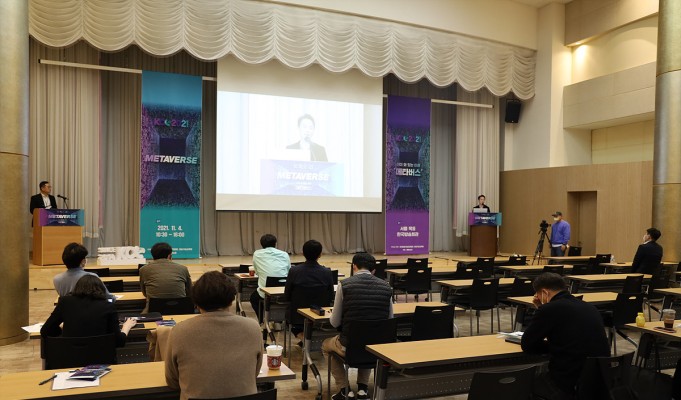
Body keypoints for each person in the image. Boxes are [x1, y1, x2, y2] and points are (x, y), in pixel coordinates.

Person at [165, 271, 263, 400]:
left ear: (196, 302)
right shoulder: (253, 327)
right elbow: (254, 373)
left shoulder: (179, 331)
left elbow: (172, 380)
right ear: (231, 300)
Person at [521, 273, 610, 399]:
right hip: (598, 379)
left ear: (544, 292)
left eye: (538, 295)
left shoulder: (549, 309)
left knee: (525, 382)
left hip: (569, 381)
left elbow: (527, 345)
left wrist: (554, 346)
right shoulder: (589, 307)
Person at [322, 252, 393, 400]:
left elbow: (335, 322)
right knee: (368, 339)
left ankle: (344, 388)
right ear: (374, 270)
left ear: (354, 266)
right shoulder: (387, 287)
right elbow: (389, 320)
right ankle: (363, 389)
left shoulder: (344, 285)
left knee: (325, 345)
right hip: (376, 348)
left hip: (350, 346)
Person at [41, 275, 136, 347]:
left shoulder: (65, 302)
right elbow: (119, 342)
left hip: (69, 358)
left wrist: (63, 333)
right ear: (101, 289)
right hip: (101, 359)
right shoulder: (108, 306)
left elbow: (45, 330)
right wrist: (126, 327)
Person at [284, 240, 334, 343]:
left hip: (297, 317)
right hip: (319, 315)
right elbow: (331, 296)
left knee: (287, 318)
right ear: (320, 254)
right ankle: (307, 340)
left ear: (303, 253)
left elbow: (287, 295)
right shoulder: (327, 272)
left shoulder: (294, 271)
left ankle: (304, 339)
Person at [139, 242, 192, 313]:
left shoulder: (143, 269)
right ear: (170, 255)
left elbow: (144, 293)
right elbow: (189, 291)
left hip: (154, 310)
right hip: (181, 309)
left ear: (152, 256)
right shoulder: (183, 268)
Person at [249, 234, 291, 323]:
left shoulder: (257, 254)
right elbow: (289, 272)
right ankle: (280, 321)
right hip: (284, 291)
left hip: (266, 294)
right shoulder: (284, 254)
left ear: (261, 244)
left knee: (254, 298)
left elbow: (257, 272)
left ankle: (263, 321)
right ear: (275, 243)